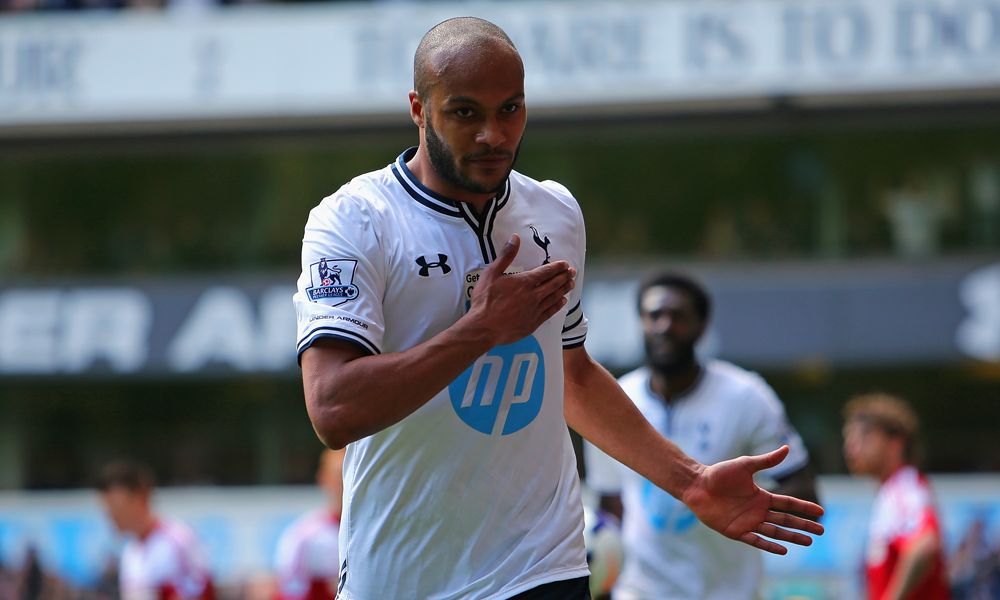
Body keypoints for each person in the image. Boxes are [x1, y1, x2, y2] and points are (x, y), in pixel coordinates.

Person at [293, 16, 824, 600]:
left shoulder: (556, 214)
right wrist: (481, 330)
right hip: (402, 576)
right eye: (465, 112)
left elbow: (570, 375)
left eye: (510, 109)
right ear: (419, 109)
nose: (494, 134)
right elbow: (332, 408)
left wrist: (689, 480)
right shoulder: (353, 220)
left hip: (541, 565)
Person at [584, 271, 819, 599]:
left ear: (702, 326)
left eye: (678, 316)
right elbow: (612, 507)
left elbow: (804, 491)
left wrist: (752, 505)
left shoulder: (746, 396)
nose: (665, 326)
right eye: (654, 315)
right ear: (640, 322)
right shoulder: (615, 401)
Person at [843, 393, 951, 600]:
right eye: (848, 438)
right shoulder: (891, 491)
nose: (851, 447)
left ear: (896, 443)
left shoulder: (904, 487)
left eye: (863, 436)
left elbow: (924, 545)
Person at [96, 460, 214, 600]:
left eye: (115, 506)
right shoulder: (131, 551)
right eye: (106, 508)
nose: (111, 515)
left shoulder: (177, 541)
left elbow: (202, 593)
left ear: (141, 497)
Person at [273, 448, 346, 600]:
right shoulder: (305, 537)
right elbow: (288, 593)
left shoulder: (379, 533)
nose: (345, 485)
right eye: (339, 477)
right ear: (323, 479)